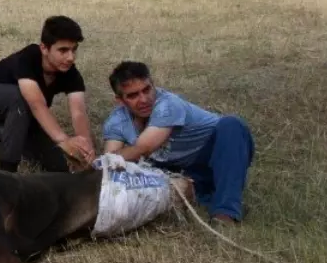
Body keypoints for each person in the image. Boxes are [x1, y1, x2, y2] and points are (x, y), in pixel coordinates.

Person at [101, 61, 254, 224]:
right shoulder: (116, 121)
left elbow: (143, 148)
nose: (144, 99)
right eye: (133, 95)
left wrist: (111, 159)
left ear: (153, 85)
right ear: (120, 100)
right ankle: (205, 195)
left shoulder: (168, 104)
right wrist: (106, 162)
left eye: (147, 90)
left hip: (221, 155)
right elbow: (109, 166)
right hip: (182, 170)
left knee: (232, 124)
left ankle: (226, 212)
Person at [0, 16, 95, 172]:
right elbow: (36, 104)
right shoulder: (28, 57)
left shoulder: (71, 73)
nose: (70, 57)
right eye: (63, 50)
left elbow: (78, 112)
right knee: (21, 99)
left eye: (74, 49)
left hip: (24, 111)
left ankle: (0, 131)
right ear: (44, 48)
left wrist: (85, 148)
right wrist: (64, 140)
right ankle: (7, 173)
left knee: (60, 166)